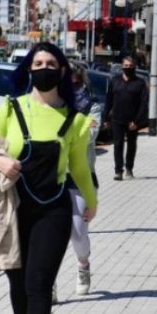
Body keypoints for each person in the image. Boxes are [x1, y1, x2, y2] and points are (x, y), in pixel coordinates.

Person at [0, 42, 97, 314]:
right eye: (38, 62)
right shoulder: (10, 108)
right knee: (17, 281)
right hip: (13, 209)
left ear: (62, 70)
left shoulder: (75, 120)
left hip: (54, 210)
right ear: (29, 69)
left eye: (51, 62)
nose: (44, 67)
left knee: (39, 283)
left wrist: (91, 201)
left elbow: (79, 167)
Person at [62, 65, 101, 298]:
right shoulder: (52, 105)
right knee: (48, 237)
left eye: (75, 84)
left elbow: (90, 135)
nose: (71, 89)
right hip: (51, 178)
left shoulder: (91, 106)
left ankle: (83, 264)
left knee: (78, 232)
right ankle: (49, 283)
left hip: (80, 177)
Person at [104, 55, 148, 181]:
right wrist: (106, 118)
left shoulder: (140, 83)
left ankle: (129, 168)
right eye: (126, 66)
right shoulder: (115, 81)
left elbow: (144, 104)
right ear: (122, 67)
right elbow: (108, 101)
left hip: (133, 121)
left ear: (134, 67)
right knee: (117, 145)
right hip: (117, 119)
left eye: (130, 66)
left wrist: (137, 121)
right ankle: (118, 171)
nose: (128, 68)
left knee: (131, 145)